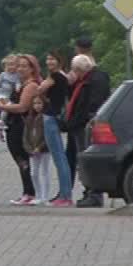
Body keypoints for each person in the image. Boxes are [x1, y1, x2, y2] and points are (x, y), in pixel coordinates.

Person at [64, 53, 111, 207]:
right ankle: (89, 192)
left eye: (74, 71)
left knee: (87, 162)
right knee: (83, 161)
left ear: (79, 70)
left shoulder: (95, 80)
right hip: (81, 125)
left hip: (87, 126)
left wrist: (85, 121)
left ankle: (94, 194)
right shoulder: (85, 80)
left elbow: (92, 105)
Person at [0, 55, 41, 205]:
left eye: (24, 66)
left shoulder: (30, 86)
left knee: (23, 159)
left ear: (32, 68)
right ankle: (28, 191)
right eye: (19, 66)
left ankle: (30, 192)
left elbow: (22, 107)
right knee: (20, 159)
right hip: (13, 124)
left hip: (21, 125)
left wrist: (3, 107)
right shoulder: (19, 83)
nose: (20, 69)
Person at [37, 51, 73, 206]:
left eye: (52, 59)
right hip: (56, 116)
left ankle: (65, 196)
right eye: (47, 59)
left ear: (60, 61)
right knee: (60, 157)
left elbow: (39, 90)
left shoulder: (55, 77)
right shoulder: (64, 77)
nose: (49, 62)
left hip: (51, 117)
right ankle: (65, 194)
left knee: (59, 157)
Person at [23, 94, 51, 206]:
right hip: (32, 150)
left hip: (44, 149)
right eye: (35, 103)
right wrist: (29, 148)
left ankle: (45, 196)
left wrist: (39, 147)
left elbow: (47, 135)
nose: (37, 106)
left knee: (45, 172)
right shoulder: (30, 118)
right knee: (34, 173)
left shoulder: (46, 118)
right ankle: (38, 195)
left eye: (39, 103)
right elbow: (25, 136)